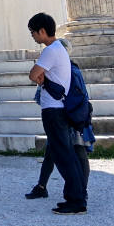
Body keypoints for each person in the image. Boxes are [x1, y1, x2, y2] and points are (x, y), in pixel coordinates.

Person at [27, 13, 87, 215]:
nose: (33, 36)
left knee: (64, 157)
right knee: (66, 154)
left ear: (42, 31)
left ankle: (76, 200)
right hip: (59, 108)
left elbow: (33, 75)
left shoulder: (50, 51)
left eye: (33, 32)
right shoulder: (59, 49)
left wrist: (40, 77)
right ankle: (75, 197)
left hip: (53, 110)